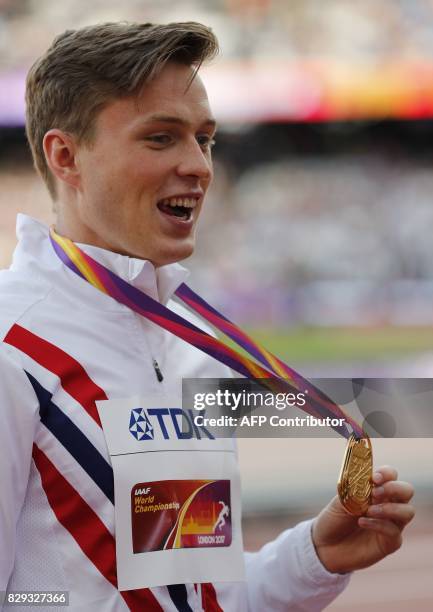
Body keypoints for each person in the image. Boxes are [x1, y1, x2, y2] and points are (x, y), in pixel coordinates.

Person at [0, 22, 415, 611]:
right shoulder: (12, 345)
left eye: (205, 139)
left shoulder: (188, 343)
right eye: (161, 138)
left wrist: (313, 556)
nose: (199, 166)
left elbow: (199, 594)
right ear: (66, 156)